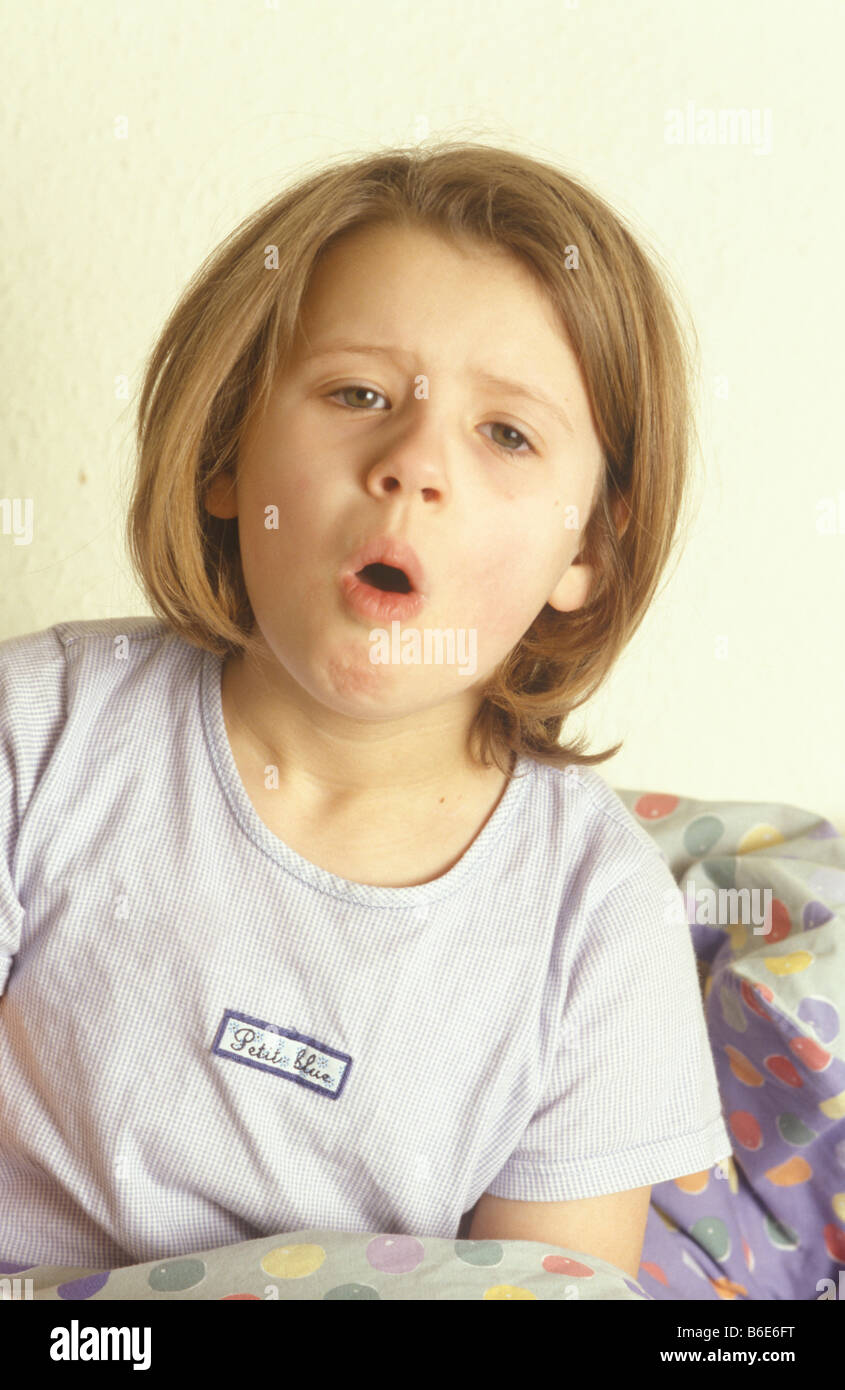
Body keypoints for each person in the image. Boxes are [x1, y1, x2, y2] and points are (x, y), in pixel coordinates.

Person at [0, 141, 732, 1282]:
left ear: (584, 546)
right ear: (227, 451)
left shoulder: (595, 923)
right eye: (357, 394)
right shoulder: (38, 732)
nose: (411, 465)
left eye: (505, 433)